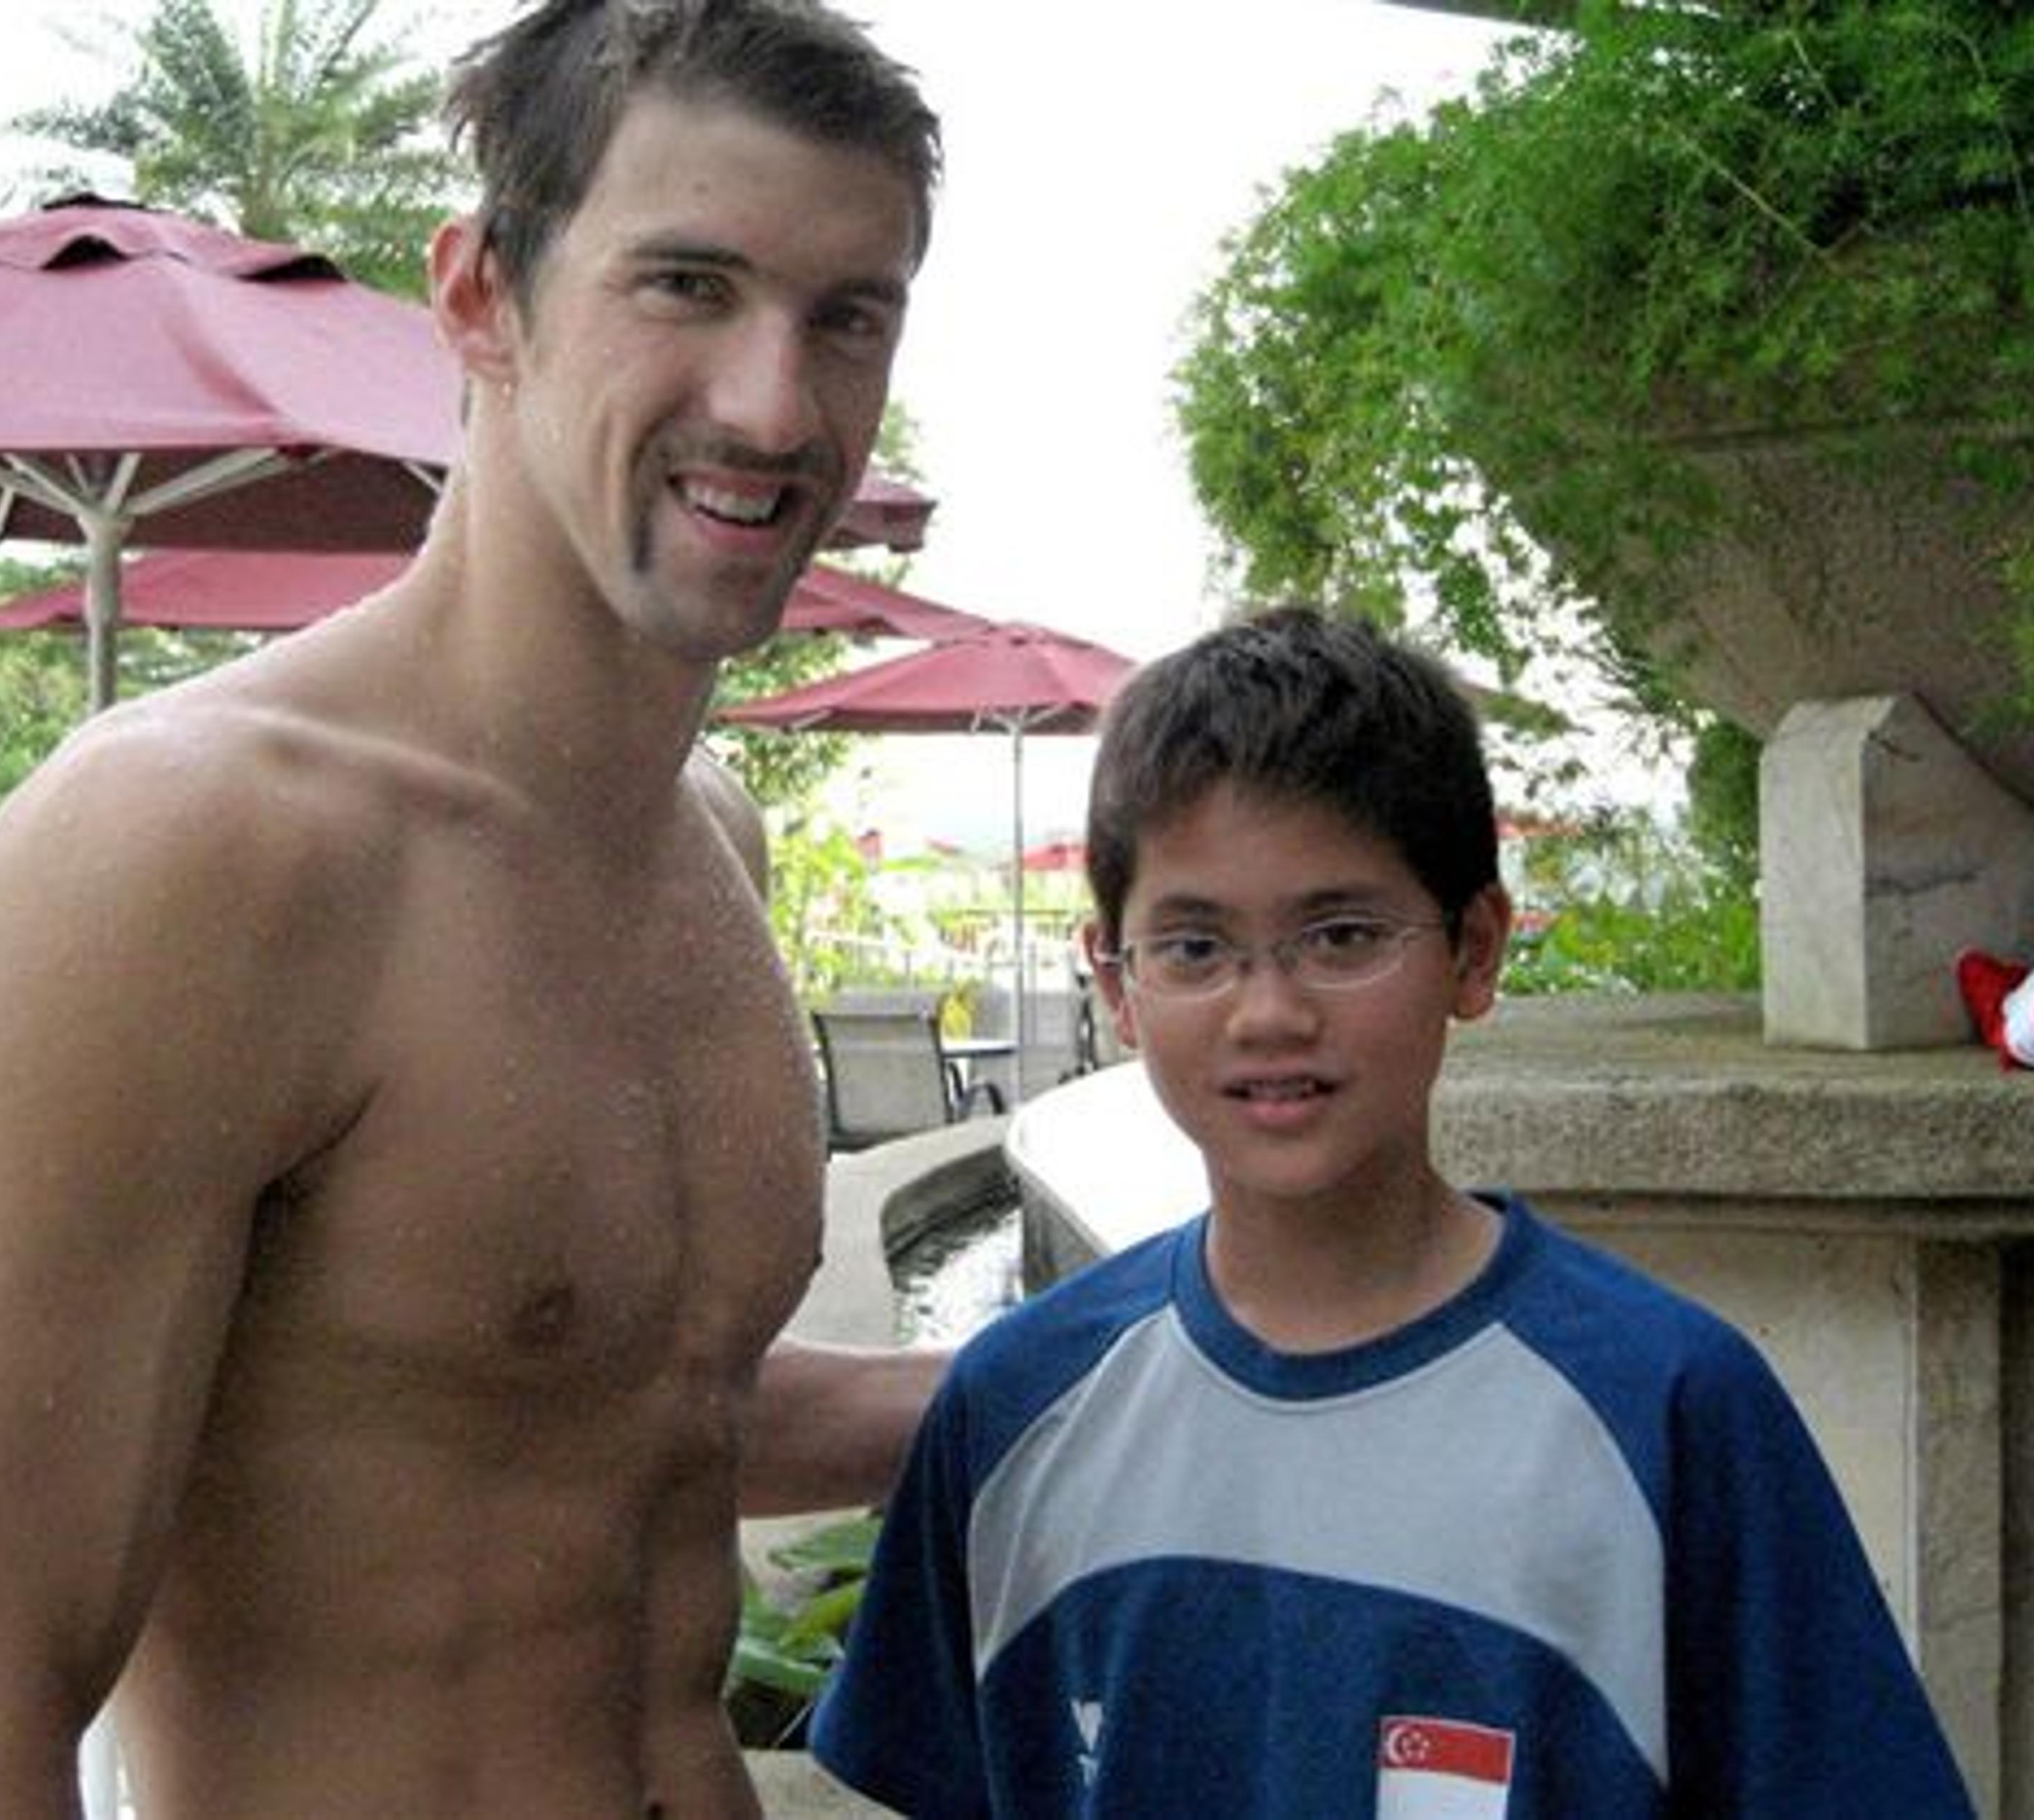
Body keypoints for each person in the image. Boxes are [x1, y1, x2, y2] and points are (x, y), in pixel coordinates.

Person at [0, 4, 943, 1815]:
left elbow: (614, 1405)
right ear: (481, 295)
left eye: (848, 317)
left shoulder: (706, 848)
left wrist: (1143, 1354)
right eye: (686, 285)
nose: (774, 404)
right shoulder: (198, 850)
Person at [809, 608, 1975, 1817]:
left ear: (1475, 950)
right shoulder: (1013, 1408)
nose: (1268, 1011)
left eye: (1344, 935)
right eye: (1196, 946)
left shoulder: (1669, 1412)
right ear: (1117, 986)